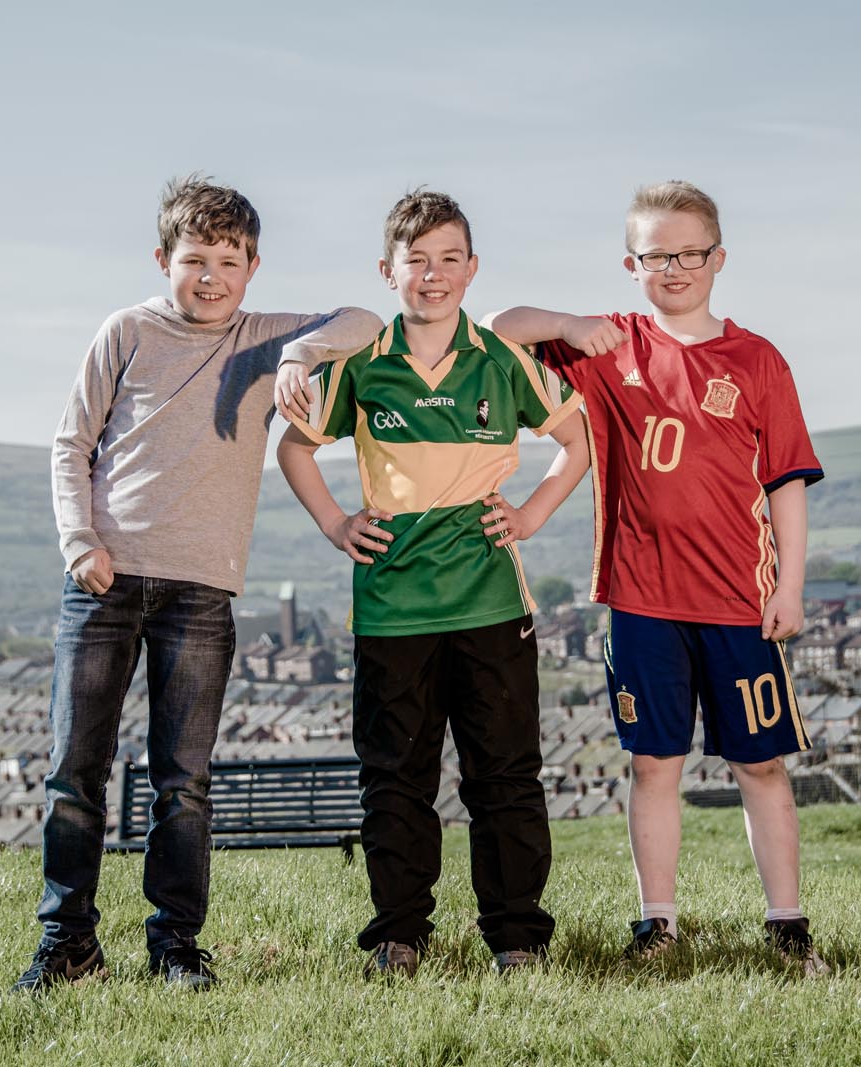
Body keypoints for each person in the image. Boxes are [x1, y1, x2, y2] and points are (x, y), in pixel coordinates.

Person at [13, 175, 383, 994]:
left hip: (200, 594)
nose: (209, 277)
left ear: (253, 266)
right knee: (75, 771)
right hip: (103, 580)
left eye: (228, 260)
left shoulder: (261, 334)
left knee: (184, 781)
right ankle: (66, 944)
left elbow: (367, 319)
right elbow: (69, 444)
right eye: (194, 260)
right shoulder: (127, 331)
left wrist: (297, 354)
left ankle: (175, 945)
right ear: (162, 259)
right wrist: (80, 543)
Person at [486, 180, 829, 975]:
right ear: (631, 263)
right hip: (641, 599)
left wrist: (790, 587)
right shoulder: (611, 348)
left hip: (740, 600)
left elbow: (784, 484)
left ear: (718, 258)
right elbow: (500, 329)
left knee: (762, 764)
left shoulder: (758, 360)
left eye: (689, 253)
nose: (673, 268)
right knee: (652, 764)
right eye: (655, 255)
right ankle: (657, 922)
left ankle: (787, 922)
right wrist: (573, 323)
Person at [276, 189, 589, 977]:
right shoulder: (361, 366)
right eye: (417, 261)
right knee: (395, 780)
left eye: (450, 259)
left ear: (472, 269)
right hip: (391, 610)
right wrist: (336, 524)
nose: (434, 275)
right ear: (390, 271)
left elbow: (577, 440)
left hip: (491, 602)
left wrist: (530, 514)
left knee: (505, 776)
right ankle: (399, 933)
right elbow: (293, 449)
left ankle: (516, 937)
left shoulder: (501, 358)